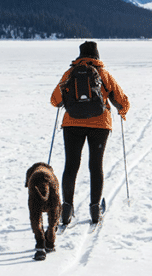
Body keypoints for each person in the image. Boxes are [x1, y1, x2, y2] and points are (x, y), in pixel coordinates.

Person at [50, 41, 130, 226]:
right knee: (96, 166)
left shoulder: (69, 74)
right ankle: (95, 209)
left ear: (80, 55)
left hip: (72, 124)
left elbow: (55, 100)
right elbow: (122, 100)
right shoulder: (103, 73)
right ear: (97, 55)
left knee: (71, 165)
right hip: (100, 125)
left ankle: (67, 209)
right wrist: (121, 111)